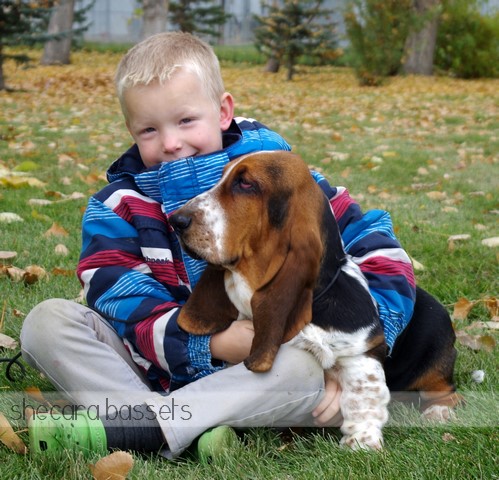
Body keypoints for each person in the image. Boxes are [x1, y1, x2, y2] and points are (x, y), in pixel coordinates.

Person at [20, 32, 416, 461]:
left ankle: (142, 429)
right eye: (149, 129)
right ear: (130, 130)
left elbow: (383, 255)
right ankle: (177, 427)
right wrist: (209, 344)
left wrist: (362, 348)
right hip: (153, 371)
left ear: (223, 110)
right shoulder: (117, 207)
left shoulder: (286, 181)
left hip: (267, 368)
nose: (170, 142)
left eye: (186, 120)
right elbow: (120, 299)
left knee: (301, 367)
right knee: (47, 322)